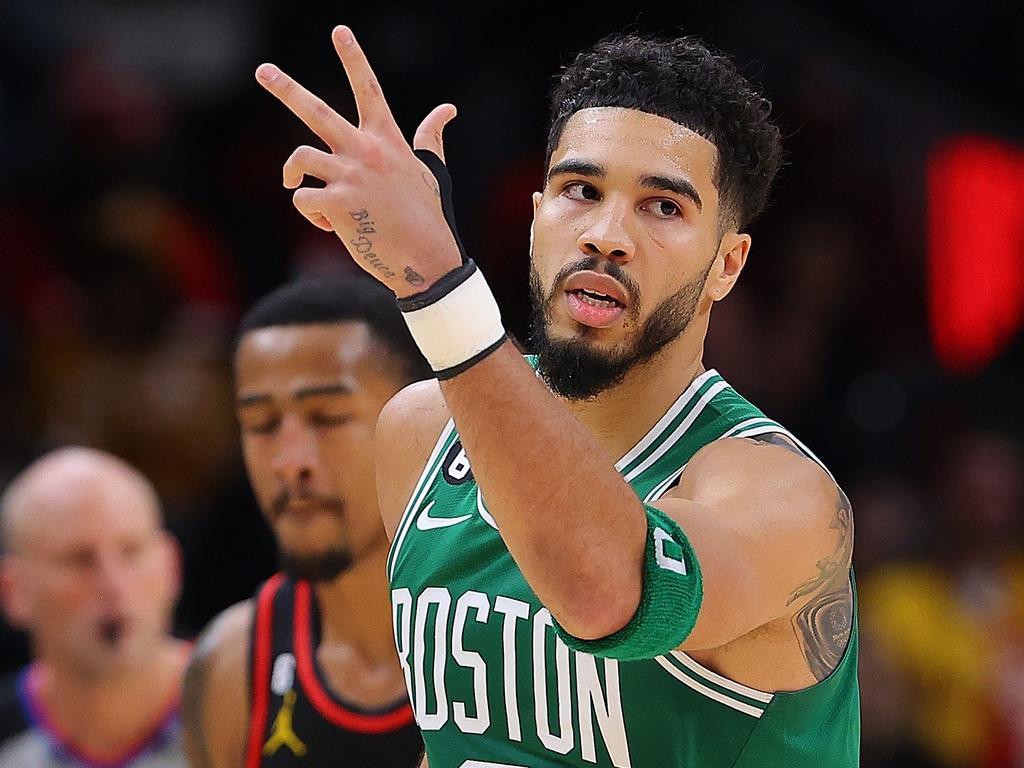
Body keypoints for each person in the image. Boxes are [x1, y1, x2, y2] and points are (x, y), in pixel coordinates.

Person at [256, 26, 859, 767]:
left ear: (728, 265)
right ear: (539, 215)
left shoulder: (782, 497)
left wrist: (437, 286)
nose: (607, 235)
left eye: (663, 208)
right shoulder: (419, 432)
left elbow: (606, 592)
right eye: (582, 191)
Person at [182, 276, 428, 768]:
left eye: (328, 416)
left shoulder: (516, 637)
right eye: (262, 425)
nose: (289, 462)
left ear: (420, 417)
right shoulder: (232, 664)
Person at [0, 447, 189, 768]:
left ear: (171, 564)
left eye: (131, 552)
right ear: (14, 590)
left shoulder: (252, 707)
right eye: (79, 560)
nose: (113, 585)